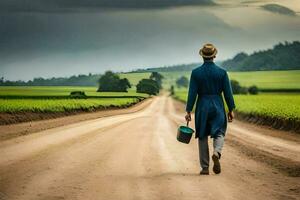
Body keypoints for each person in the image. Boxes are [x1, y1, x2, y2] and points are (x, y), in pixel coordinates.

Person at [185, 43, 235, 175]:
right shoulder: (222, 73)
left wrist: (189, 110)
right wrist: (231, 109)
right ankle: (217, 152)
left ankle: (205, 168)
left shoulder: (196, 73)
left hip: (202, 105)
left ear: (202, 56)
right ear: (214, 56)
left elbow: (192, 93)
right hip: (218, 104)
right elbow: (228, 93)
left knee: (202, 135)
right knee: (219, 132)